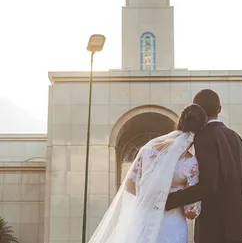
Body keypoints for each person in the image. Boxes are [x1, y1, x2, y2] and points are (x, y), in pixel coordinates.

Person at [88, 104, 208, 243]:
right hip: (172, 225)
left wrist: (149, 197)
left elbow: (130, 184)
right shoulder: (190, 163)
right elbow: (191, 212)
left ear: (179, 123)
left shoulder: (149, 149)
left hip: (144, 219)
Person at [165, 89, 242, 243]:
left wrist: (168, 200)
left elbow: (208, 185)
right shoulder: (237, 138)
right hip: (238, 224)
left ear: (198, 111)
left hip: (214, 226)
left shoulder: (204, 136)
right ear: (219, 109)